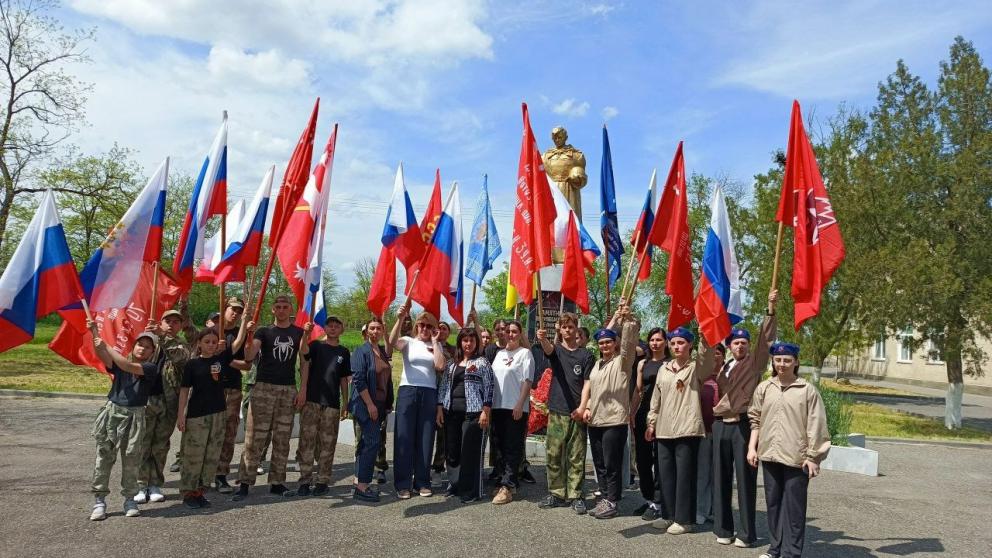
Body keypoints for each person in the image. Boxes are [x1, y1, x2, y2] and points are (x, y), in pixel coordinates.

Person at [748, 342, 831, 558]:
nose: (782, 364)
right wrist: (752, 448)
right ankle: (774, 549)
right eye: (778, 360)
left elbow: (816, 424)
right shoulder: (765, 388)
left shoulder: (807, 390)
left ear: (795, 362)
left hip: (797, 458)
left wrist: (814, 457)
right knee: (773, 504)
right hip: (769, 455)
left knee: (794, 509)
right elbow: (755, 419)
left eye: (787, 360)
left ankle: (792, 553)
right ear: (773, 362)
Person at [713, 290, 778, 547]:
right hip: (721, 426)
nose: (740, 346)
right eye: (735, 343)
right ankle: (723, 528)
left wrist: (770, 311)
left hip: (742, 426)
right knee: (721, 480)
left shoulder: (754, 364)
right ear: (729, 346)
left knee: (746, 482)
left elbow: (766, 342)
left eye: (744, 342)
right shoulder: (724, 367)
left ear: (748, 346)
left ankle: (747, 533)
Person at [234, 294, 311, 501]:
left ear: (291, 309)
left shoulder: (298, 332)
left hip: (287, 389)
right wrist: (249, 335)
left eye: (285, 306)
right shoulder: (264, 331)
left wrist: (302, 389)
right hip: (263, 388)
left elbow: (304, 362)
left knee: (282, 439)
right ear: (272, 310)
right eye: (278, 306)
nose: (282, 309)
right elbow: (249, 356)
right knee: (254, 438)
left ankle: (277, 482)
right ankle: (244, 482)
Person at [645, 327, 715, 535]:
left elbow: (707, 360)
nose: (676, 346)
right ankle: (668, 515)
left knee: (685, 476)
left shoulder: (696, 368)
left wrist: (705, 337)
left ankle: (684, 520)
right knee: (666, 475)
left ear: (690, 345)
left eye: (681, 343)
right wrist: (651, 422)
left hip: (687, 429)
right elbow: (656, 399)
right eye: (673, 343)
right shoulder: (663, 369)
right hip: (664, 429)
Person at [87, 323, 159, 521]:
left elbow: (125, 365)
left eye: (147, 346)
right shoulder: (119, 364)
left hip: (135, 416)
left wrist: (107, 345)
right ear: (133, 346)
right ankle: (99, 501)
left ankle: (129, 499)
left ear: (153, 351)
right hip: (113, 413)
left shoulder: (149, 368)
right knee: (104, 457)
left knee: (131, 459)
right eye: (139, 344)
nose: (142, 348)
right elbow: (102, 352)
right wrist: (94, 331)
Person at [177, 323, 247, 509]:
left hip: (218, 414)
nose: (210, 345)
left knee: (211, 455)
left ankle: (200, 491)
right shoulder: (192, 364)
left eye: (214, 342)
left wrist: (245, 321)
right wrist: (181, 415)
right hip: (197, 415)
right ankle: (188, 492)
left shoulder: (221, 360)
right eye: (206, 341)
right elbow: (184, 391)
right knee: (194, 455)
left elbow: (238, 342)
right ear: (199, 343)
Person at [583, 302, 640, 519]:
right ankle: (605, 497)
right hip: (596, 420)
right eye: (602, 343)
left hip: (614, 421)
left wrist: (627, 319)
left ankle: (613, 501)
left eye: (609, 342)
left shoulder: (623, 362)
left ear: (615, 344)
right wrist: (587, 407)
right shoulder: (597, 364)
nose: (605, 345)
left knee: (612, 463)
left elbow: (629, 341)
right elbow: (592, 389)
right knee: (599, 463)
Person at [536, 312, 595, 515]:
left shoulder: (586, 355)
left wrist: (583, 407)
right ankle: (557, 492)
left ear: (576, 329)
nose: (568, 330)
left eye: (571, 327)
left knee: (576, 456)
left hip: (576, 413)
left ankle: (576, 495)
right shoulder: (557, 351)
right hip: (557, 409)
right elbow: (548, 349)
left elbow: (588, 383)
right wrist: (542, 339)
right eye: (564, 327)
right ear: (559, 330)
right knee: (554, 453)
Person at [135, 308, 192, 504]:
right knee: (143, 443)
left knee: (160, 445)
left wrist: (163, 338)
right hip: (146, 400)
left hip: (168, 402)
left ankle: (155, 483)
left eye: (176, 322)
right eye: (168, 321)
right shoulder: (147, 341)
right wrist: (150, 338)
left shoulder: (181, 345)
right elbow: (132, 360)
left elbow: (181, 359)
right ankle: (141, 484)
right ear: (161, 322)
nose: (172, 325)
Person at [388, 302, 445, 499]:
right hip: (408, 391)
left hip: (429, 393)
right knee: (404, 437)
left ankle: (422, 481)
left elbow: (439, 366)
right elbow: (392, 342)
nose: (425, 329)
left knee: (426, 438)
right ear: (416, 326)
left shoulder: (435, 346)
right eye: (421, 325)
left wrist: (436, 342)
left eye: (429, 326)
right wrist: (400, 318)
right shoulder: (408, 341)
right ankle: (403, 483)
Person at [295, 316, 352, 497]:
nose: (333, 328)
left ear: (342, 329)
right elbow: (303, 352)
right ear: (325, 328)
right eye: (330, 325)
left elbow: (344, 379)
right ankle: (305, 480)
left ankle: (322, 480)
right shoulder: (316, 346)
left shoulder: (344, 352)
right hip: (312, 400)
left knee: (327, 444)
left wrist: (345, 402)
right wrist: (305, 334)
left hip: (332, 403)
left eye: (337, 325)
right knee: (307, 442)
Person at [436, 327, 494, 502]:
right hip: (451, 412)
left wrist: (485, 411)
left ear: (476, 343)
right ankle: (455, 485)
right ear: (460, 342)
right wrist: (440, 407)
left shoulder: (482, 363)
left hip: (474, 413)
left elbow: (490, 388)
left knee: (470, 453)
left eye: (472, 340)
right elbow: (444, 386)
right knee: (452, 452)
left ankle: (471, 491)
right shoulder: (452, 363)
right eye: (465, 340)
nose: (468, 344)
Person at [488, 319, 534, 505]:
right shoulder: (499, 354)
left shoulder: (525, 354)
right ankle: (501, 481)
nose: (511, 334)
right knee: (498, 446)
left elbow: (527, 381)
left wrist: (519, 404)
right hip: (498, 406)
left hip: (515, 407)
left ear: (520, 334)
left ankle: (508, 486)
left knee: (512, 447)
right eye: (508, 331)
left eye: (515, 331)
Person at [350, 317, 394, 502]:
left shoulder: (382, 352)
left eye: (379, 328)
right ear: (367, 331)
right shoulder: (361, 351)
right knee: (371, 443)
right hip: (366, 404)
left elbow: (386, 378)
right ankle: (363, 486)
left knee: (365, 444)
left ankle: (359, 481)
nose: (375, 331)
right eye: (372, 328)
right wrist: (370, 405)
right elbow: (359, 379)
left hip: (380, 404)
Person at [214, 297, 252, 494]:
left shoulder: (242, 335)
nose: (235, 313)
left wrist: (226, 359)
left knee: (228, 433)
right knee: (208, 433)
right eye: (232, 309)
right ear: (224, 309)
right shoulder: (213, 331)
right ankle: (201, 475)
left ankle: (221, 475)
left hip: (233, 388)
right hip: (211, 388)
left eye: (239, 310)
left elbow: (247, 365)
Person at [631, 327, 669, 520]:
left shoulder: (669, 364)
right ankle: (648, 499)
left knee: (659, 459)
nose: (655, 343)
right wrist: (632, 412)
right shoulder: (643, 363)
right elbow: (639, 391)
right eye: (652, 340)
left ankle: (659, 501)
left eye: (659, 340)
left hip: (663, 415)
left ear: (666, 342)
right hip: (643, 414)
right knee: (642, 460)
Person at [696, 343, 723, 525]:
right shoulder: (700, 377)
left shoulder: (728, 376)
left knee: (720, 474)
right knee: (703, 474)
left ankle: (716, 510)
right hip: (703, 431)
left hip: (723, 432)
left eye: (718, 353)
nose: (714, 356)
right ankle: (701, 509)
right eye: (712, 352)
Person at [432, 321, 455, 474]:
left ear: (448, 332)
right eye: (438, 328)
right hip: (429, 393)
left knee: (442, 436)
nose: (441, 331)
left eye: (444, 328)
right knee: (425, 434)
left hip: (445, 396)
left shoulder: (453, 350)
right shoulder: (428, 346)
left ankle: (438, 468)